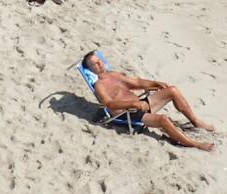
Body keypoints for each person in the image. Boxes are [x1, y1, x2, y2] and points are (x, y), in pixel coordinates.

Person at [83, 52, 214, 151]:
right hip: (128, 113)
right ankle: (192, 143)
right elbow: (109, 104)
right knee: (163, 119)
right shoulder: (99, 85)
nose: (99, 64)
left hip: (141, 105)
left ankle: (196, 122)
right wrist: (133, 104)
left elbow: (136, 83)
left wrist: (156, 83)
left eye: (99, 60)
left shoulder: (114, 75)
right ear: (90, 69)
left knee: (172, 90)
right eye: (95, 63)